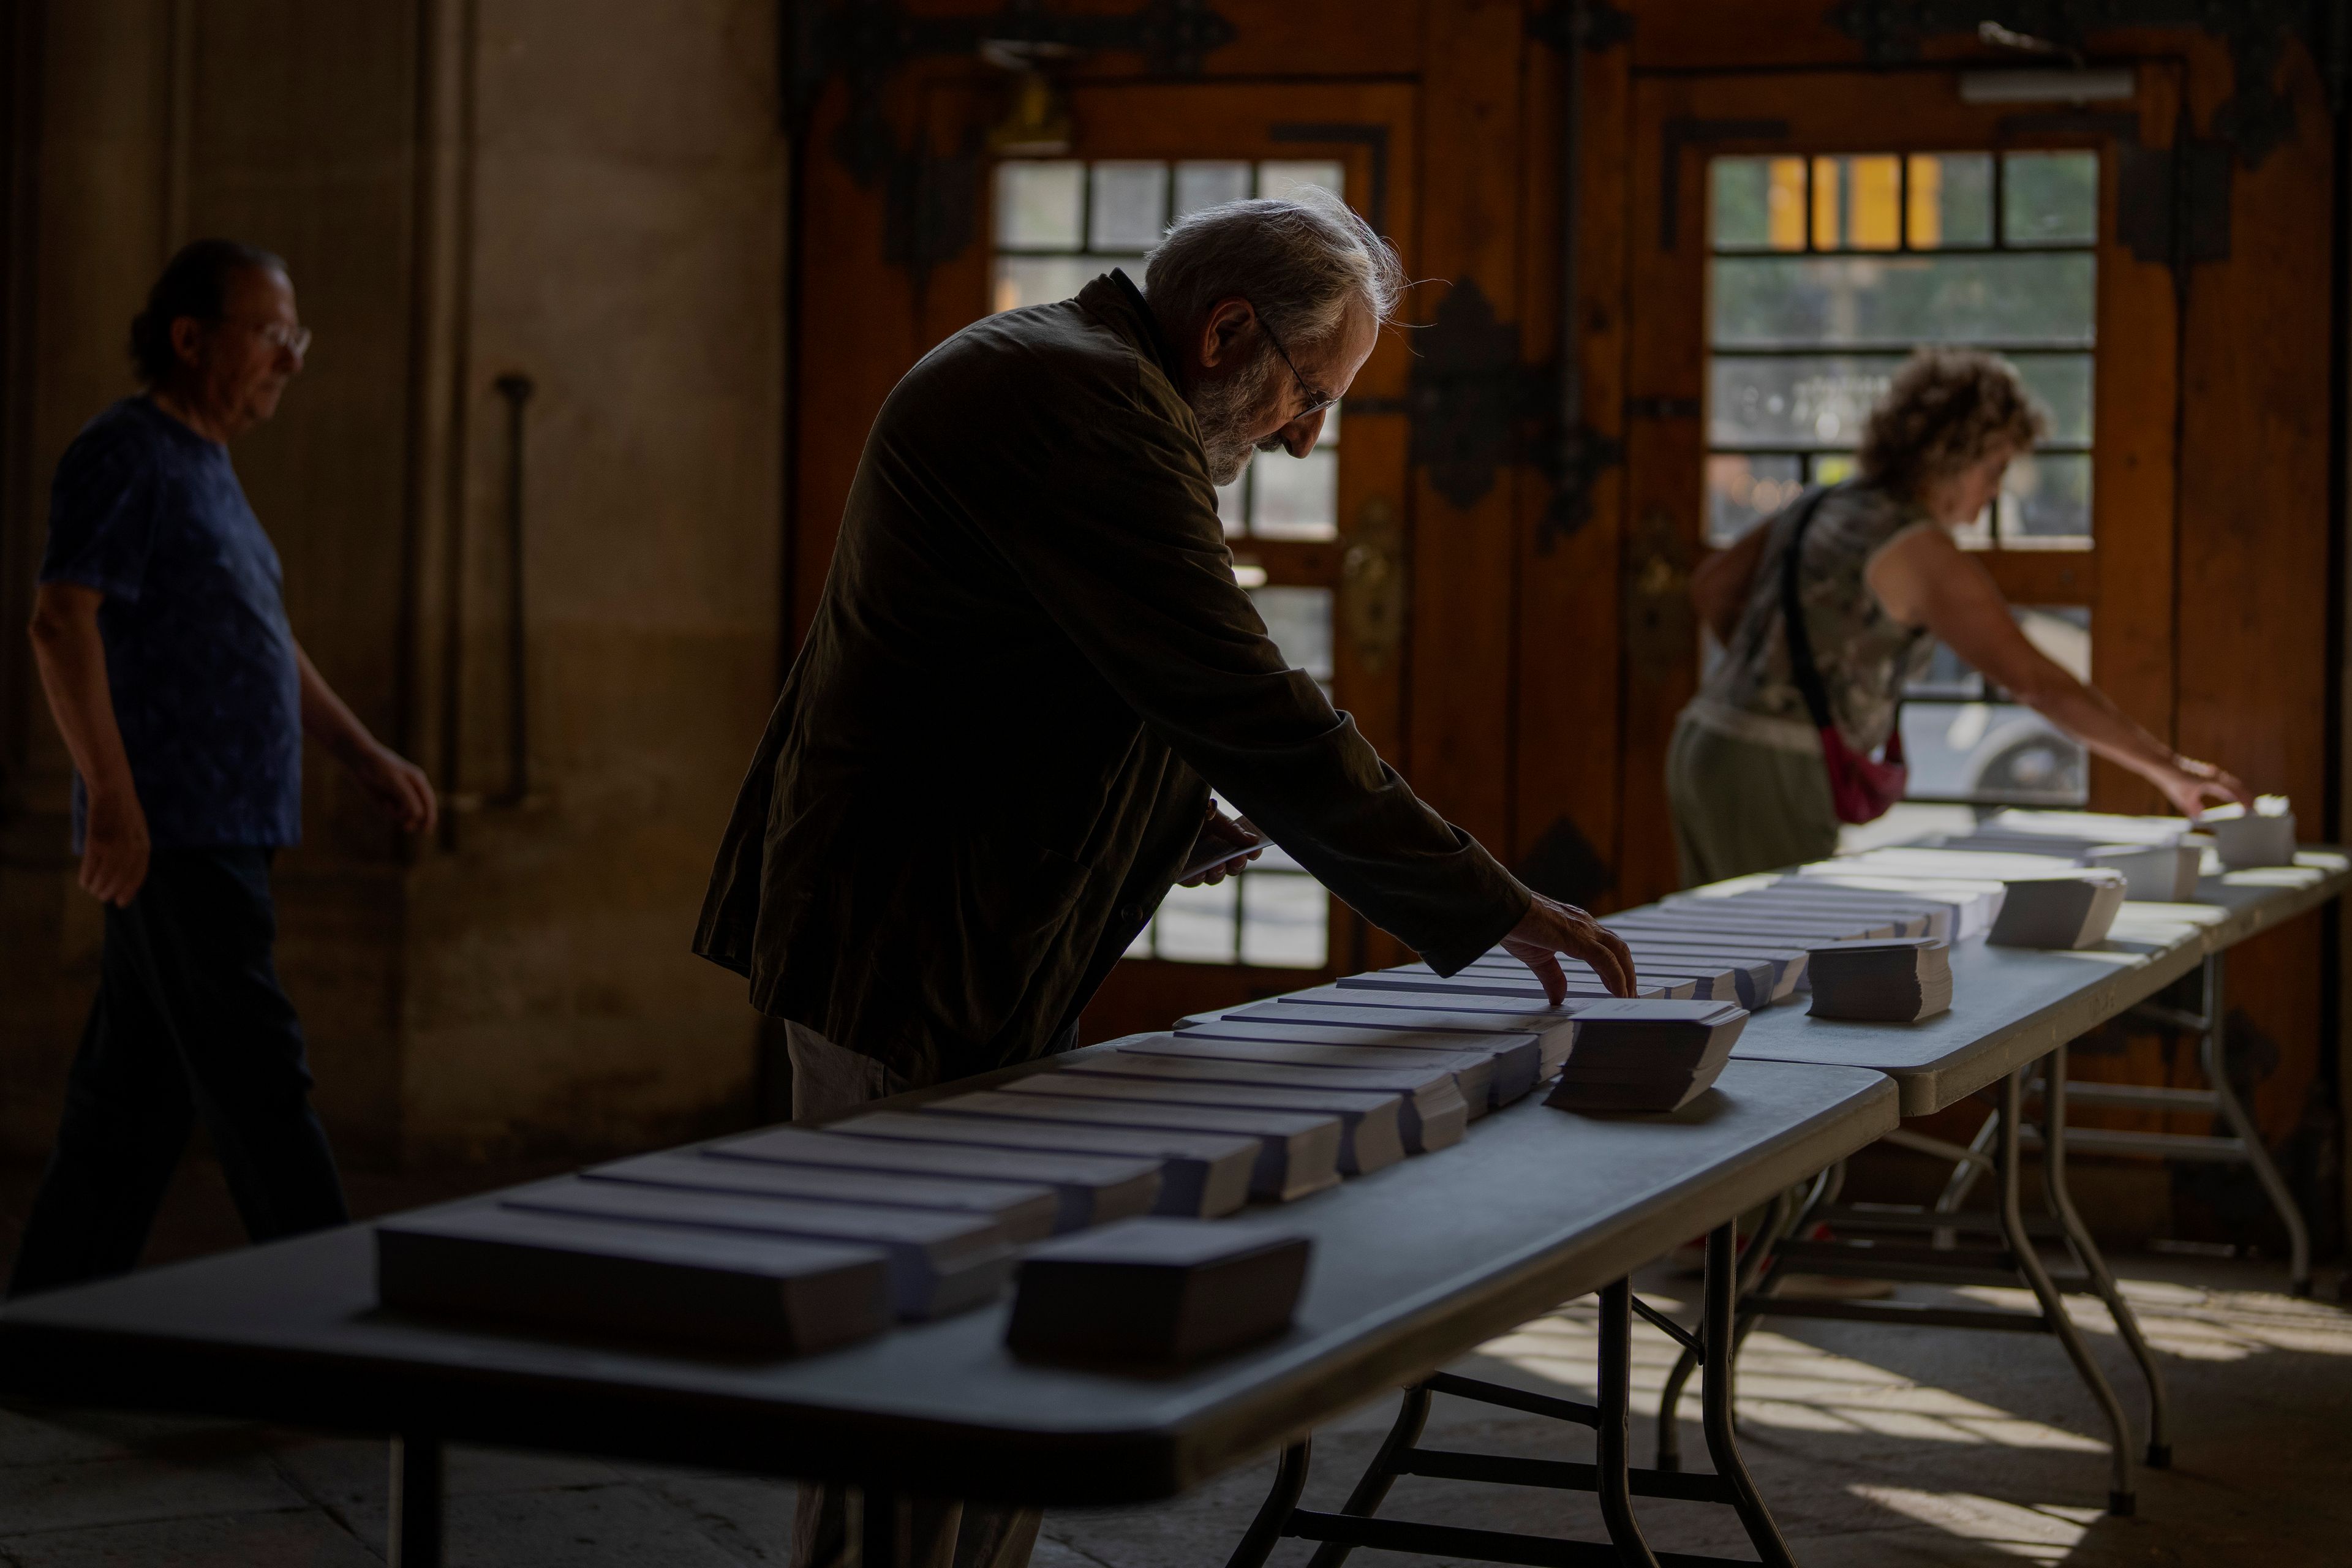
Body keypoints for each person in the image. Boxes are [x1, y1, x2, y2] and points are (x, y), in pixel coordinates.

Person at [696, 189, 1634, 1568]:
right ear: (1228, 329)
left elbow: (1064, 657)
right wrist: (1491, 901)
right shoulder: (1073, 399)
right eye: (1309, 393)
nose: (1307, 432)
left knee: (990, 1329)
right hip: (905, 932)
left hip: (973, 919)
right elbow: (1240, 691)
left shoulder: (1088, 380)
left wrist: (1157, 814)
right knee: (908, 1355)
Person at [9, 240, 437, 1298]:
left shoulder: (208, 468)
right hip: (178, 830)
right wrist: (110, 798)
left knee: (132, 1100)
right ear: (191, 337)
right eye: (272, 334)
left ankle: (47, 1324)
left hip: (225, 824)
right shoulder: (128, 452)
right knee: (259, 1082)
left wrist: (361, 751)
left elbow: (261, 638)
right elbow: (61, 622)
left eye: (298, 338)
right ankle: (345, 1324)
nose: (292, 361)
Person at [1670, 348, 2250, 886]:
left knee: (1723, 957)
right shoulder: (1917, 547)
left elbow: (1712, 588)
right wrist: (2170, 770)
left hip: (1704, 741)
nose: (1995, 492)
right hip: (1773, 767)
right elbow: (2036, 683)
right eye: (1994, 469)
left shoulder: (1830, 500)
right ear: (1954, 456)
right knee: (1776, 973)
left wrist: (1783, 675)